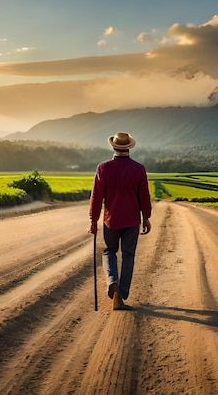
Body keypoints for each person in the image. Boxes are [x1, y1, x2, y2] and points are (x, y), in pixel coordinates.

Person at [89, 131, 152, 310]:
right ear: (129, 147)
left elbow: (96, 197)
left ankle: (112, 282)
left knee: (109, 251)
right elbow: (144, 197)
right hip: (132, 220)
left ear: (113, 146)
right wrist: (146, 217)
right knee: (128, 256)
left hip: (111, 220)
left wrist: (93, 221)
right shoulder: (138, 169)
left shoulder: (103, 168)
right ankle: (121, 294)